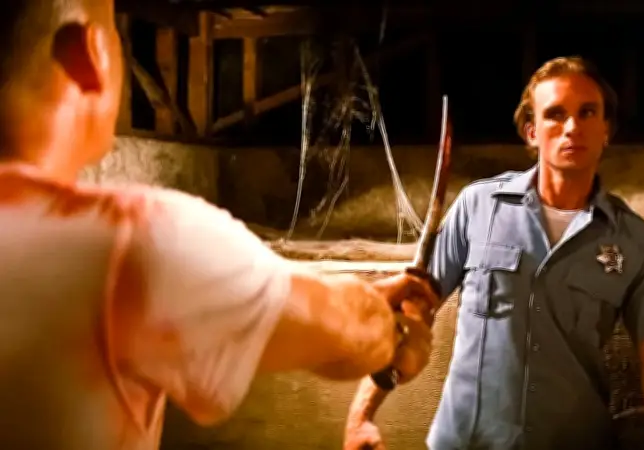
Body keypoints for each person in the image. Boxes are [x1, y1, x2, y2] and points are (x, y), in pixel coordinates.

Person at [0, 1, 439, 449]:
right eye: (117, 34)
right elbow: (346, 330)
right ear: (91, 53)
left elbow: (279, 297)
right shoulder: (137, 241)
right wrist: (398, 336)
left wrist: (358, 295)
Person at [344, 56, 644, 450]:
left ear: (606, 130)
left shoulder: (633, 240)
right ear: (532, 132)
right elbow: (409, 316)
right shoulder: (478, 207)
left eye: (587, 113)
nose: (572, 127)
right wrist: (361, 417)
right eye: (555, 115)